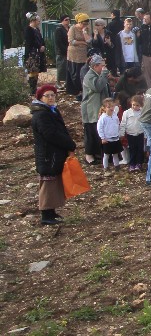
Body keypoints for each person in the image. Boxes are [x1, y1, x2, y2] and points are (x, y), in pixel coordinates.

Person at [31, 84, 77, 226]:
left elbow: (60, 130)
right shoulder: (41, 114)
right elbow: (50, 134)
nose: (51, 98)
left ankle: (51, 212)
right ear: (40, 98)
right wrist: (68, 144)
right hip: (47, 154)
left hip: (54, 153)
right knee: (47, 184)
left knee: (54, 182)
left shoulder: (52, 111)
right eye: (47, 95)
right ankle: (46, 214)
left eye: (52, 95)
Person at [80, 54, 110, 165]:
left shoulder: (98, 75)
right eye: (102, 66)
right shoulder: (89, 76)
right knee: (90, 132)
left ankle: (99, 153)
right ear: (96, 66)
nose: (104, 68)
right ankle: (89, 155)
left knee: (99, 131)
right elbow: (98, 87)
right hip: (90, 110)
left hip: (98, 109)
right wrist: (105, 74)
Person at [66, 13, 91, 98]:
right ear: (79, 22)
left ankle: (82, 88)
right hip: (74, 53)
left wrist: (84, 32)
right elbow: (71, 41)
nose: (85, 25)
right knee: (75, 72)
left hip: (83, 54)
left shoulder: (86, 29)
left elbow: (89, 40)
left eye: (86, 24)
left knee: (82, 71)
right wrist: (82, 42)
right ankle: (75, 89)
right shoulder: (72, 28)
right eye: (83, 24)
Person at [120, 94, 145, 172]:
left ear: (140, 105)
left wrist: (146, 134)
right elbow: (123, 123)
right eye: (133, 105)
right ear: (131, 103)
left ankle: (139, 163)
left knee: (140, 149)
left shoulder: (142, 112)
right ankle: (132, 164)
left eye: (137, 105)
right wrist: (121, 133)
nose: (135, 107)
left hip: (140, 133)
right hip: (130, 133)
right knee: (132, 149)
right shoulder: (127, 112)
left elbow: (145, 123)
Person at [97, 97, 122, 171]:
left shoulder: (115, 116)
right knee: (106, 154)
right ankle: (106, 167)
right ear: (104, 108)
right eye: (109, 107)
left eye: (112, 106)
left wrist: (119, 133)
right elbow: (99, 128)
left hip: (115, 137)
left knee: (115, 153)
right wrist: (102, 137)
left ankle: (117, 166)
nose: (111, 108)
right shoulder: (103, 118)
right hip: (107, 139)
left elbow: (118, 124)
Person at [24, 12, 46, 95]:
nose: (39, 22)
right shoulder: (28, 30)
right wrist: (38, 46)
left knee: (36, 71)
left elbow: (41, 39)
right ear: (33, 20)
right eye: (38, 20)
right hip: (32, 54)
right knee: (32, 71)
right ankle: (32, 89)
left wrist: (43, 45)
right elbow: (30, 42)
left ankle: (35, 88)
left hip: (38, 54)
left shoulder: (37, 30)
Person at [53, 15, 71, 90]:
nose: (68, 21)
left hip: (69, 51)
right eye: (66, 20)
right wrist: (64, 50)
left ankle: (67, 82)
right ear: (62, 21)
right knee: (61, 67)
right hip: (61, 52)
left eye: (69, 19)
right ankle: (58, 82)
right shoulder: (59, 29)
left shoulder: (69, 28)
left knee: (68, 67)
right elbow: (58, 42)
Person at [105, 10, 124, 76]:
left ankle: (114, 74)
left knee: (113, 61)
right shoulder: (123, 23)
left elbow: (107, 34)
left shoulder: (110, 24)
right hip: (122, 44)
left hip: (113, 45)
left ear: (113, 14)